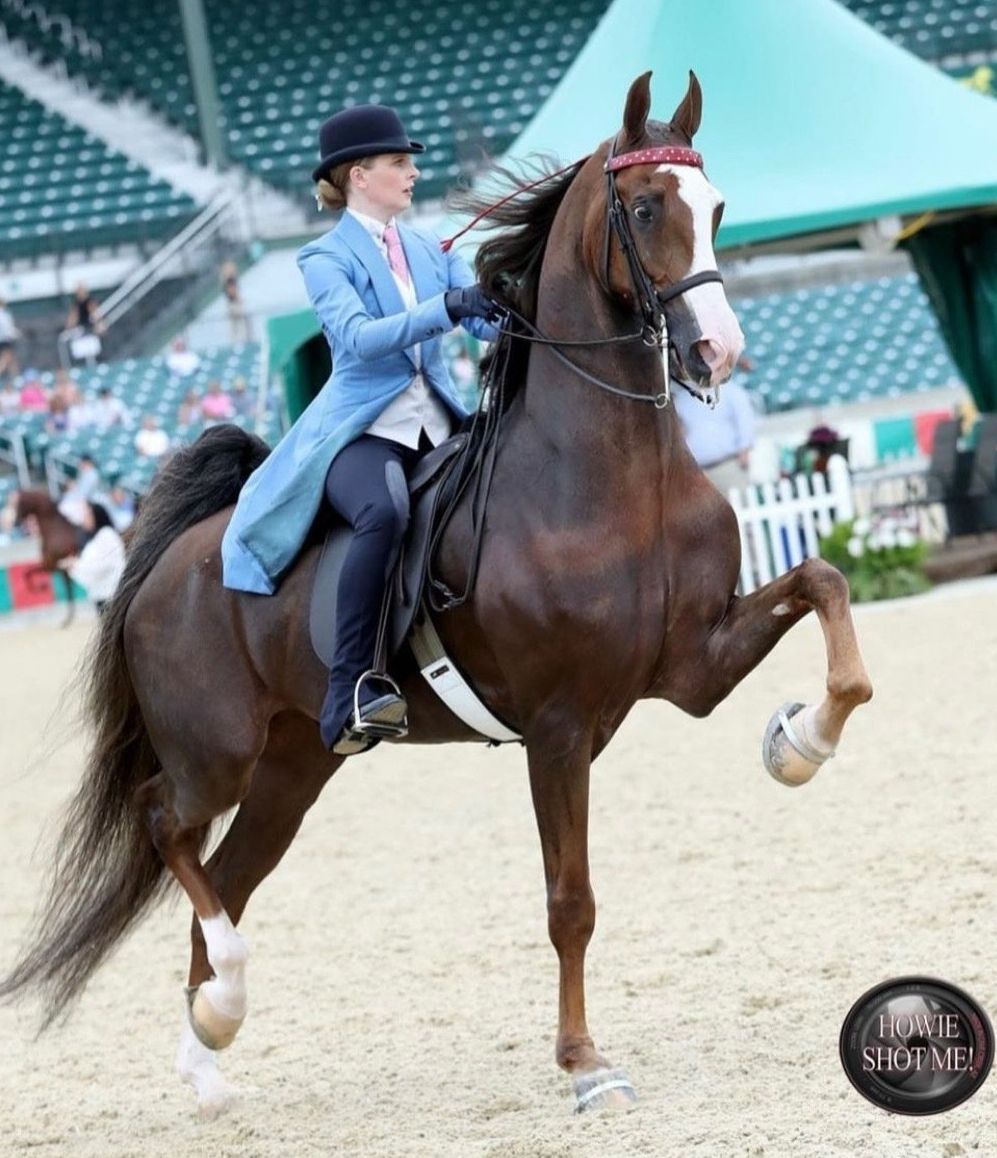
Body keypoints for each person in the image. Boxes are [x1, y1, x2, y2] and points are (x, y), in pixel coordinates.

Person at [220, 102, 503, 755]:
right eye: (399, 162)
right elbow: (358, 338)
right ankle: (352, 684)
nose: (411, 173)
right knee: (384, 513)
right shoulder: (323, 256)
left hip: (440, 419)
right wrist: (446, 307)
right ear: (357, 175)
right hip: (362, 431)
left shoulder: (431, 247)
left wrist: (502, 298)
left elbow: (481, 320)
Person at [671, 355, 757, 495]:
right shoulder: (682, 397)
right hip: (698, 473)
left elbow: (744, 420)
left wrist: (744, 450)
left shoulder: (730, 390)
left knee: (741, 510)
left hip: (729, 466)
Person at [58, 500, 125, 612]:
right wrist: (74, 565)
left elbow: (103, 565)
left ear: (97, 516)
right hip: (101, 595)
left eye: (88, 515)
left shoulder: (107, 534)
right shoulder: (96, 539)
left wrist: (75, 564)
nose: (84, 518)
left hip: (112, 595)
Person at [220, 261, 252, 344]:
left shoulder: (230, 280)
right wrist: (239, 298)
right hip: (233, 304)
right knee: (238, 324)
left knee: (239, 324)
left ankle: (242, 339)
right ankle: (238, 341)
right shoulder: (229, 280)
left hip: (234, 304)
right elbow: (231, 292)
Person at [0, 297, 21, 382]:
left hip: (4, 340)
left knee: (12, 360)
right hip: (5, 340)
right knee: (6, 359)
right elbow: (7, 329)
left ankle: (16, 379)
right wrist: (15, 334)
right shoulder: (3, 315)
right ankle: (16, 379)